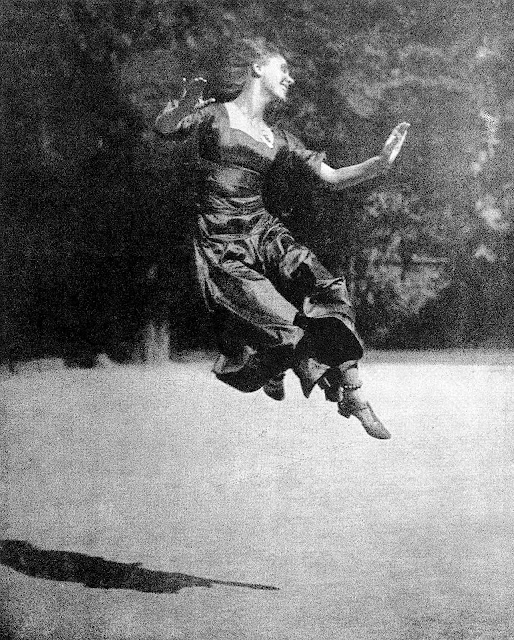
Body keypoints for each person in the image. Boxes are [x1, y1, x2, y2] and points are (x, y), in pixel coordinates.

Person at [154, 37, 409, 439]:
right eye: (283, 69)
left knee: (325, 287)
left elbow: (335, 177)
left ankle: (352, 391)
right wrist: (185, 106)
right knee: (283, 326)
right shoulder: (213, 115)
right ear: (257, 69)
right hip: (222, 240)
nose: (290, 78)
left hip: (263, 229)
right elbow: (166, 128)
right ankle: (308, 376)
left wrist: (379, 164)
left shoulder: (279, 138)